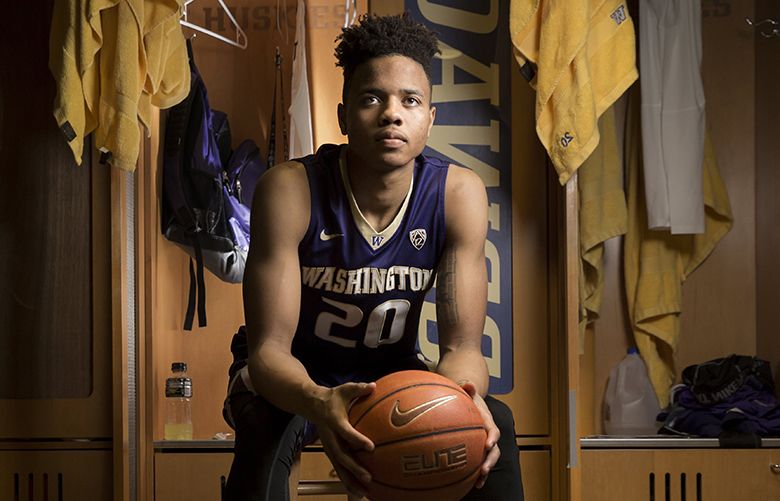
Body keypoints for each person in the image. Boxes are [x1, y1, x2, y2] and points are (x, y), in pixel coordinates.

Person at [223, 13, 524, 501]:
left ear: (430, 117)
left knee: (494, 425)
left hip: (391, 369)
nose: (391, 113)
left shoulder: (456, 193)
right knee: (264, 427)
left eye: (410, 100)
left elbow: (464, 348)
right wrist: (319, 403)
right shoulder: (290, 189)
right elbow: (269, 353)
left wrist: (462, 403)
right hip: (294, 374)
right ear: (343, 117)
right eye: (371, 98)